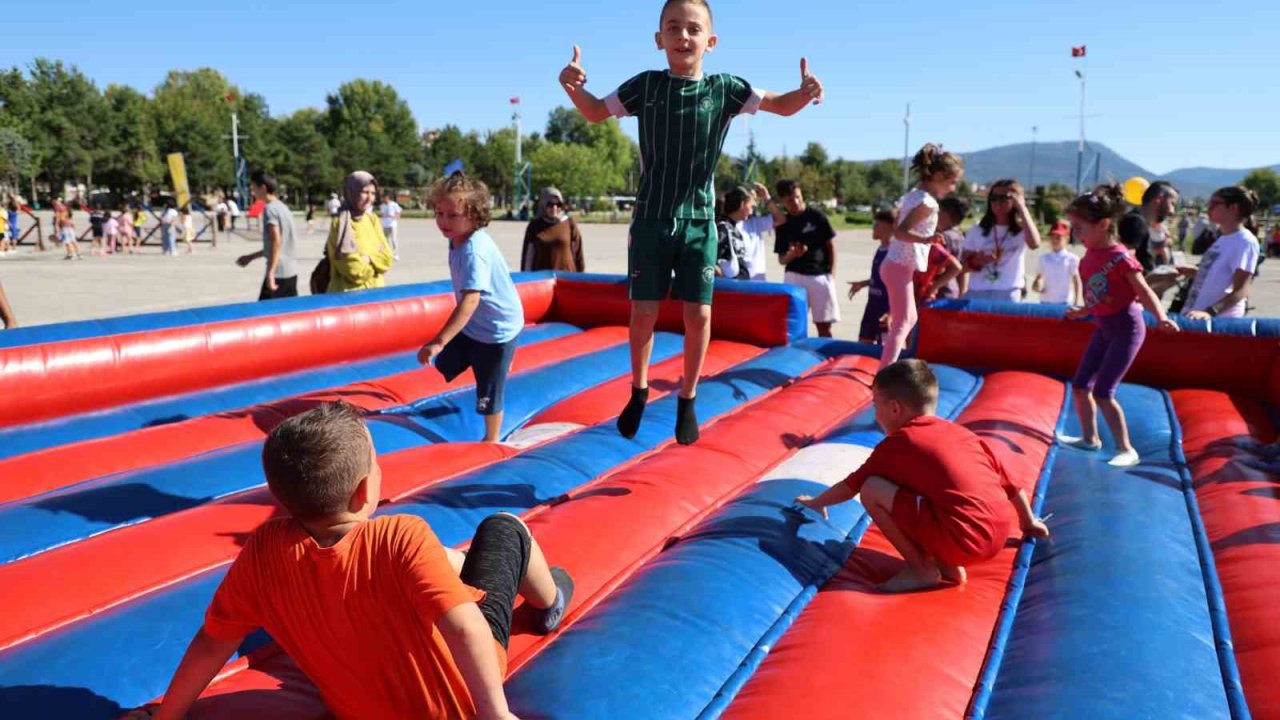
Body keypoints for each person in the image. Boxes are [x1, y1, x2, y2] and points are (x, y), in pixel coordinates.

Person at [128, 402, 573, 720]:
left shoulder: (263, 551)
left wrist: (168, 716)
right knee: (503, 528)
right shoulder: (401, 534)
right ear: (364, 490)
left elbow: (212, 641)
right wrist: (493, 712)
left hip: (361, 708)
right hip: (458, 696)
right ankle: (549, 600)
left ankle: (456, 566)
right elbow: (462, 626)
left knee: (445, 563)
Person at [558, 0, 825, 445]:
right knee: (643, 310)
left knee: (699, 313)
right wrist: (570, 86)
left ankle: (687, 397)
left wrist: (806, 92)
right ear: (658, 39)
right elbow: (593, 111)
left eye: (693, 29)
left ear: (710, 41)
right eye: (673, 28)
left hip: (700, 219)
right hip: (651, 217)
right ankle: (639, 390)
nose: (683, 36)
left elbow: (781, 105)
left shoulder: (725, 89)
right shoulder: (646, 86)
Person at [795, 359, 1050, 593]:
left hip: (963, 540)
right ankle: (947, 565)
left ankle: (921, 569)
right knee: (929, 489)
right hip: (997, 537)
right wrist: (1028, 523)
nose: (875, 414)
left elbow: (853, 484)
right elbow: (1011, 485)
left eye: (876, 405)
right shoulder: (962, 435)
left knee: (873, 488)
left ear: (894, 408)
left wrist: (816, 502)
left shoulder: (901, 442)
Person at [1058, 184, 1179, 467]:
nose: (1076, 234)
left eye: (1080, 228)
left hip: (1127, 329)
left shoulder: (1121, 257)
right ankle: (1090, 439)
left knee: (1102, 392)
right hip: (1103, 326)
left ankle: (1126, 448)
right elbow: (1097, 294)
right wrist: (1084, 310)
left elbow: (1144, 291)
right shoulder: (1088, 258)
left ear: (1102, 225)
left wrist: (1161, 317)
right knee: (1079, 386)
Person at [417, 175, 524, 443]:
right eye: (439, 213)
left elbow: (470, 301)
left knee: (488, 389)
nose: (443, 222)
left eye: (453, 215)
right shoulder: (457, 238)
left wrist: (439, 341)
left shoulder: (474, 252)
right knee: (445, 366)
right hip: (476, 324)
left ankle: (492, 438)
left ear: (475, 216)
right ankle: (487, 363)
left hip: (496, 330)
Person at [879, 144, 964, 369]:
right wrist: (926, 240)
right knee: (904, 321)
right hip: (898, 266)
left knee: (908, 319)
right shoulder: (927, 203)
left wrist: (924, 240)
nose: (953, 188)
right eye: (952, 182)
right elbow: (900, 231)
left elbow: (900, 226)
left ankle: (890, 365)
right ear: (937, 176)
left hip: (898, 265)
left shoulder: (915, 196)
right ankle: (884, 374)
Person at [1179, 186, 1261, 320]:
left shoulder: (1245, 241)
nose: (1208, 208)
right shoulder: (1222, 238)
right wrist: (1196, 272)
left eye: (1214, 204)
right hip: (1195, 317)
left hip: (1217, 322)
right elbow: (1220, 277)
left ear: (1233, 208)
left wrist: (1210, 312)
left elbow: (1242, 289)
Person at [962, 179, 1041, 302]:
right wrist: (977, 260)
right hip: (977, 291)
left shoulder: (1022, 230)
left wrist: (1022, 208)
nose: (998, 202)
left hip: (1008, 291)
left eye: (1005, 197)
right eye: (994, 197)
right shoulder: (977, 229)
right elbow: (962, 266)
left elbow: (1035, 244)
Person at [326, 172, 395, 292]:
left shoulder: (372, 219)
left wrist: (367, 258)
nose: (370, 198)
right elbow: (352, 269)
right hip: (349, 298)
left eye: (373, 193)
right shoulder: (340, 223)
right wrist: (375, 265)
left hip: (376, 294)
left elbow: (388, 258)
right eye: (365, 192)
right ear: (352, 192)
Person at [237, 171, 300, 300]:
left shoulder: (270, 209)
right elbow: (276, 244)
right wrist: (251, 257)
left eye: (253, 187)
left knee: (264, 316)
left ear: (263, 188)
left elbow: (277, 241)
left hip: (278, 274)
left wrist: (271, 273)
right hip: (291, 272)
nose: (252, 191)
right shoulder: (284, 208)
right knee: (289, 315)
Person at [847, 209, 894, 344]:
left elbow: (901, 286)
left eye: (876, 225)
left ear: (888, 227)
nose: (873, 228)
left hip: (885, 310)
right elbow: (882, 278)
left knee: (884, 351)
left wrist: (892, 312)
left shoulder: (894, 253)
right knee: (863, 344)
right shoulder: (881, 249)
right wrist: (863, 283)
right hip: (871, 308)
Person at [520, 187, 586, 273]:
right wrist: (526, 278)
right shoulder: (534, 226)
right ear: (543, 205)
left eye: (558, 204)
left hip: (566, 277)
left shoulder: (569, 223)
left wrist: (580, 276)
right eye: (550, 204)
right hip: (542, 279)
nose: (554, 208)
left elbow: (578, 253)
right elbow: (528, 257)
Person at [1033, 220, 1081, 305]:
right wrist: (1036, 285)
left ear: (1067, 238)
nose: (1054, 240)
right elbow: (1038, 277)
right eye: (1052, 237)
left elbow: (1076, 281)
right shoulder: (1044, 258)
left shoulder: (1072, 258)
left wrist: (1076, 301)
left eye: (1058, 237)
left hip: (1064, 301)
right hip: (1045, 300)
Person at [936, 196, 969, 298]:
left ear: (945, 214)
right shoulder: (961, 236)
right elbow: (964, 268)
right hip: (954, 290)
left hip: (941, 290)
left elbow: (938, 267)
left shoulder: (944, 238)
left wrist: (933, 287)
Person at [380, 191, 403, 259]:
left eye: (384, 198)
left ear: (387, 198)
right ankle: (387, 253)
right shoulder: (382, 205)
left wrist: (396, 217)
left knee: (393, 239)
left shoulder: (394, 204)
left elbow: (399, 212)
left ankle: (395, 254)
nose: (383, 199)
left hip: (392, 225)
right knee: (385, 240)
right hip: (385, 225)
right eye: (382, 198)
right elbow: (382, 214)